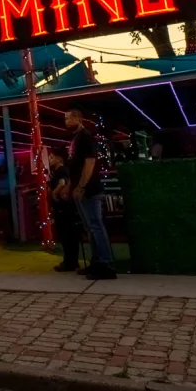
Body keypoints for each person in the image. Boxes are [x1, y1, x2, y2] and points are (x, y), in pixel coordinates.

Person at [65, 108, 116, 280]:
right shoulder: (77, 138)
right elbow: (75, 166)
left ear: (78, 119)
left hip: (89, 189)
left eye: (68, 119)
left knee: (95, 225)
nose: (66, 122)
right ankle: (97, 261)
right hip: (82, 188)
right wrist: (72, 186)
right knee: (90, 227)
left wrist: (81, 186)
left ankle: (105, 263)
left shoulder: (85, 136)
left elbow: (90, 162)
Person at [47, 147, 81, 272]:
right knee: (67, 233)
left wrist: (54, 194)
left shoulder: (61, 171)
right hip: (64, 206)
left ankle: (70, 261)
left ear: (59, 158)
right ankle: (70, 260)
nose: (50, 160)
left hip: (63, 206)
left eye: (52, 157)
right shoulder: (60, 171)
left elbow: (62, 184)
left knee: (66, 233)